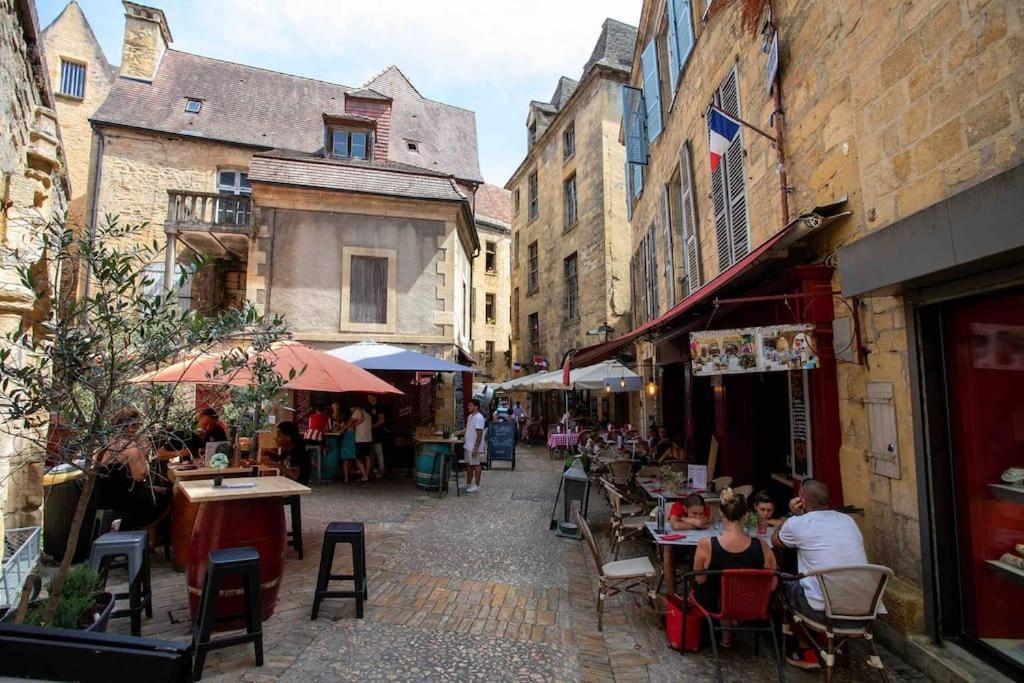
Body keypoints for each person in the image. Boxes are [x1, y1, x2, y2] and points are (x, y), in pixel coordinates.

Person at [772, 479, 875, 671]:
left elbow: (776, 541)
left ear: (801, 498)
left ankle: (807, 650)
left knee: (780, 583)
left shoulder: (798, 523)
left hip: (823, 612)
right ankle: (833, 646)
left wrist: (791, 515)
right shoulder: (849, 521)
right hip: (864, 612)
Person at [692, 488, 777, 648]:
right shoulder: (762, 546)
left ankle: (723, 635)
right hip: (750, 603)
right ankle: (730, 631)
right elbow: (772, 585)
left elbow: (700, 579)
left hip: (716, 604)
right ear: (746, 515)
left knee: (706, 586)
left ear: (722, 514)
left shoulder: (707, 545)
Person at [98, 409, 171, 531]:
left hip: (108, 496)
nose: (137, 429)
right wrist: (143, 453)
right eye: (135, 426)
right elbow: (141, 475)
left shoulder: (108, 444)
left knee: (160, 490)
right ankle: (147, 534)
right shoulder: (131, 447)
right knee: (170, 495)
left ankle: (148, 537)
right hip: (126, 500)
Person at [662, 493, 710, 595]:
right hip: (679, 544)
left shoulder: (706, 508)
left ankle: (693, 594)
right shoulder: (678, 506)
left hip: (698, 545)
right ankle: (672, 594)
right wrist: (695, 525)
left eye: (700, 514)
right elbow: (675, 525)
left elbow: (701, 523)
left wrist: (683, 519)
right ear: (685, 508)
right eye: (694, 513)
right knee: (668, 549)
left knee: (699, 550)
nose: (698, 516)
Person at [263, 421, 311, 485]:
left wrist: (277, 465)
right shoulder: (288, 449)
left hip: (297, 486)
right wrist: (267, 452)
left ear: (288, 438)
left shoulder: (298, 452)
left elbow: (295, 476)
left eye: (279, 436)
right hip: (290, 483)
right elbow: (278, 458)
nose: (276, 439)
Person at [458, 398, 486, 493]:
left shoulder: (479, 417)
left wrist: (476, 447)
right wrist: (459, 432)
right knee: (468, 465)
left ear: (476, 407)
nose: (468, 407)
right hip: (468, 445)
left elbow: (479, 433)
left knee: (476, 465)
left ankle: (477, 485)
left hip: (474, 446)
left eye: (470, 405)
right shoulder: (470, 416)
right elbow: (468, 428)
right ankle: (468, 483)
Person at [366, 394, 389, 479]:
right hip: (368, 433)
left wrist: (372, 427)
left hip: (377, 433)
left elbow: (382, 420)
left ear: (375, 397)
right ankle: (371, 469)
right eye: (368, 397)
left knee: (378, 452)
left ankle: (381, 470)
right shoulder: (367, 407)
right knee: (370, 452)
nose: (368, 398)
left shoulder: (379, 407)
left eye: (370, 396)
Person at [350, 402, 373, 482]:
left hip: (360, 439)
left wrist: (350, 426)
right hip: (369, 438)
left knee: (358, 459)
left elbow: (350, 422)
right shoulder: (368, 414)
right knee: (367, 457)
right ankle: (366, 474)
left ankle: (365, 476)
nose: (351, 411)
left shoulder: (357, 411)